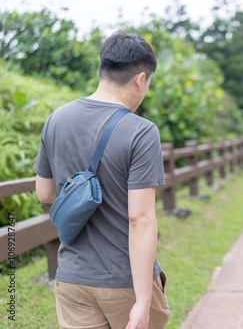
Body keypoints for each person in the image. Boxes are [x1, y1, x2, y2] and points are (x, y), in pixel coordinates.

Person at [34, 32, 170, 329]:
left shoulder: (56, 119)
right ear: (140, 79)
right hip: (123, 282)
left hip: (71, 277)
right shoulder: (142, 132)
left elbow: (44, 192)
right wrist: (144, 301)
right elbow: (140, 220)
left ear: (103, 69)